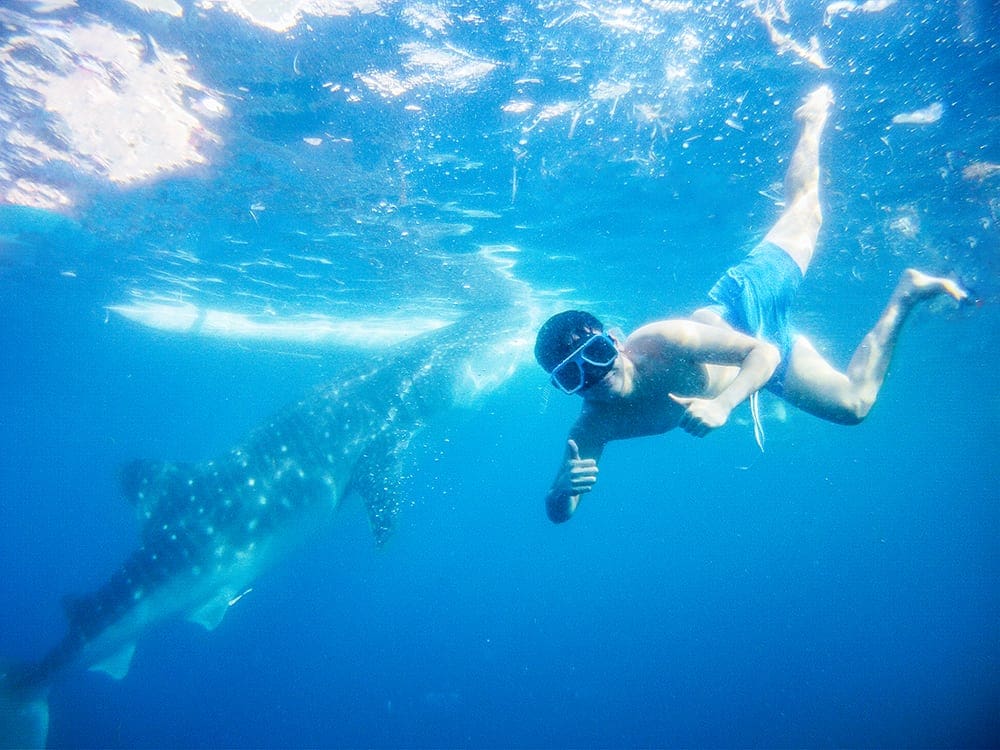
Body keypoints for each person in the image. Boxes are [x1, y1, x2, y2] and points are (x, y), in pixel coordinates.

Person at [535, 85, 968, 524]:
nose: (593, 375)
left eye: (595, 355)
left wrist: (724, 405)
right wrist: (561, 491)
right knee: (854, 405)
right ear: (562, 387)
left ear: (616, 341)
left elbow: (761, 351)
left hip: (746, 308)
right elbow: (560, 512)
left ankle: (810, 122)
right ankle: (907, 294)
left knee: (807, 212)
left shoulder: (658, 341)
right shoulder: (594, 426)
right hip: (758, 366)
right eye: (573, 375)